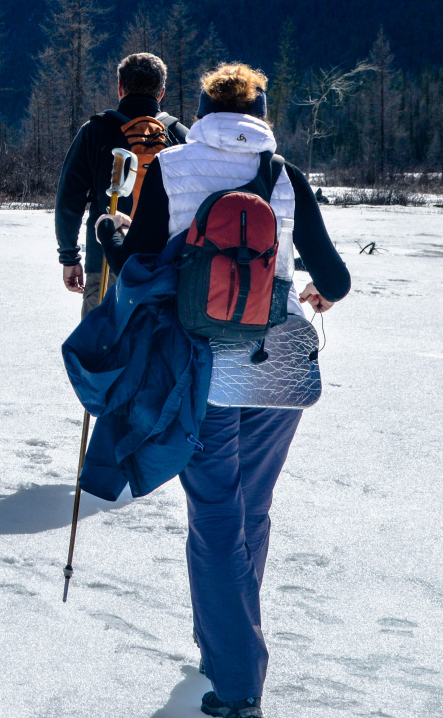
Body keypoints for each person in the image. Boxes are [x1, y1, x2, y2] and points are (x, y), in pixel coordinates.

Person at [97, 63, 350, 718]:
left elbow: (138, 265)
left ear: (203, 110)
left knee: (214, 518)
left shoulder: (171, 168)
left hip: (200, 367)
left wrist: (110, 234)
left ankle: (236, 686)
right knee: (250, 511)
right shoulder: (283, 174)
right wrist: (316, 291)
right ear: (261, 114)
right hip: (278, 365)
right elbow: (336, 278)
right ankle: (224, 644)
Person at [55, 52, 188, 316]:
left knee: (100, 338)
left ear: (120, 87)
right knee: (155, 340)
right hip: (165, 268)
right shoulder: (179, 136)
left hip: (104, 260)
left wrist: (70, 257)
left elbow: (69, 201)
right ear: (161, 92)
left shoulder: (95, 131)